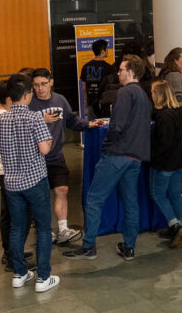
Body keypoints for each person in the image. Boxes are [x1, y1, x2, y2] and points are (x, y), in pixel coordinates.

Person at [63, 55, 152, 260]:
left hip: (117, 155)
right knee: (130, 202)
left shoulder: (125, 93)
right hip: (135, 157)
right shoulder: (143, 95)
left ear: (131, 72)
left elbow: (116, 125)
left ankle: (88, 246)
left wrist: (106, 146)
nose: (118, 73)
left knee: (94, 199)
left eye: (121, 69)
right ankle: (129, 247)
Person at [0, 73, 59, 292]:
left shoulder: (0, 118)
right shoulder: (34, 118)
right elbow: (45, 149)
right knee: (42, 228)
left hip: (11, 183)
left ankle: (19, 274)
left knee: (17, 228)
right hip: (35, 180)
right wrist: (47, 139)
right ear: (28, 95)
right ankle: (43, 277)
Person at [29, 68, 103, 244]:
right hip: (35, 158)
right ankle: (44, 229)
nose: (40, 88)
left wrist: (89, 124)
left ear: (51, 82)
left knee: (62, 189)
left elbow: (72, 120)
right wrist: (41, 120)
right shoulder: (29, 103)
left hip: (55, 156)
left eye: (44, 84)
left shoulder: (60, 100)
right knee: (39, 196)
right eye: (36, 85)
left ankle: (63, 229)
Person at [0, 80, 34, 270]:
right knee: (14, 216)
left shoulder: (1, 115)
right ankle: (11, 255)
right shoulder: (2, 116)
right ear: (9, 98)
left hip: (5, 171)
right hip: (6, 172)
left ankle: (13, 252)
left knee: (11, 215)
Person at [149, 80, 182, 248]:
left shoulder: (163, 117)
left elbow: (162, 144)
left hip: (165, 163)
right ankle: (176, 226)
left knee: (157, 193)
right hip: (178, 161)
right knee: (174, 194)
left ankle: (174, 225)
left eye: (152, 92)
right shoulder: (177, 111)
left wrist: (150, 155)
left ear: (159, 94)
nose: (150, 94)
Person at [79, 39, 115, 119]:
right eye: (106, 49)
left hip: (91, 103)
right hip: (104, 104)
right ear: (102, 51)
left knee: (92, 126)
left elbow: (84, 88)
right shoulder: (109, 68)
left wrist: (88, 101)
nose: (107, 51)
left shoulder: (85, 67)